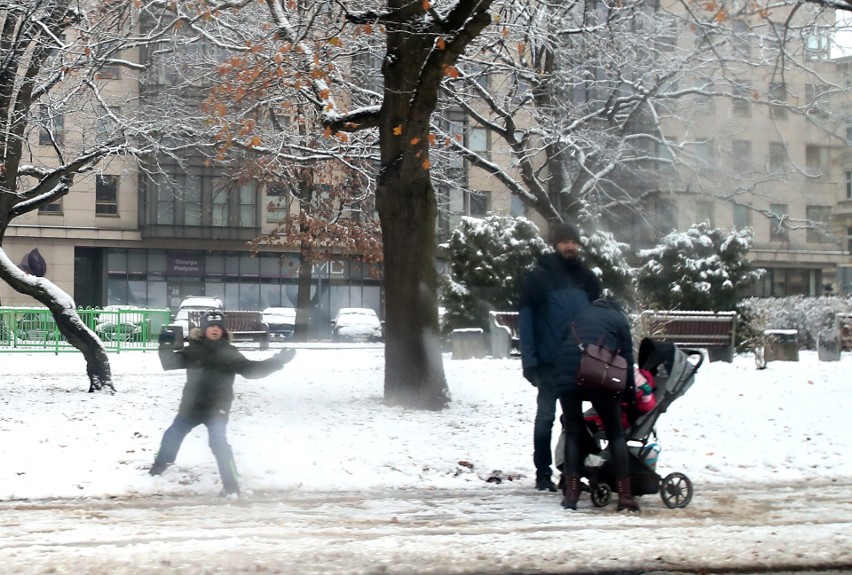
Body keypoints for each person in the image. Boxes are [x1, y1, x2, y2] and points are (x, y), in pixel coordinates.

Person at [149, 309, 295, 497]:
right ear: (203, 330)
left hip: (216, 408)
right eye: (211, 326)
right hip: (191, 406)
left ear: (224, 331)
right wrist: (166, 343)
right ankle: (158, 468)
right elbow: (169, 362)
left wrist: (277, 362)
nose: (215, 329)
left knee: (218, 443)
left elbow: (251, 370)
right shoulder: (194, 350)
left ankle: (231, 486)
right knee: (172, 434)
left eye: (219, 327)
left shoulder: (229, 353)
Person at [519, 222, 601, 492]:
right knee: (545, 418)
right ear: (555, 244)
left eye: (574, 242)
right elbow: (527, 322)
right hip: (548, 363)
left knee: (575, 421)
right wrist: (529, 361)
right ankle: (543, 473)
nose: (570, 246)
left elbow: (598, 319)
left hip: (581, 363)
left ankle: (572, 472)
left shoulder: (588, 279)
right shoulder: (538, 278)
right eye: (565, 241)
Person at [553, 297, 639, 512]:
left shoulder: (580, 314)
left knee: (572, 431)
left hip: (567, 373)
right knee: (615, 434)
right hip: (598, 373)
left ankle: (572, 495)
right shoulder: (619, 320)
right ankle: (625, 496)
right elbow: (627, 359)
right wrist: (629, 397)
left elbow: (562, 344)